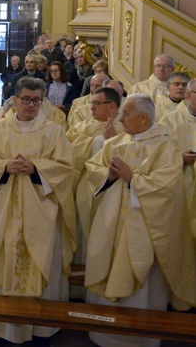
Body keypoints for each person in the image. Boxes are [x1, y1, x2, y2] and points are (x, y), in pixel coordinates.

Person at [0, 76, 76, 344]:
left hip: (41, 215)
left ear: (43, 101)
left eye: (37, 100)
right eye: (26, 99)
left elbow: (66, 169)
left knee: (41, 264)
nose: (31, 104)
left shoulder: (54, 132)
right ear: (14, 99)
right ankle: (3, 329)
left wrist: (36, 169)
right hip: (3, 213)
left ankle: (40, 330)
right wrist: (3, 167)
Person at [85, 94, 196, 346]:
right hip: (111, 226)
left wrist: (132, 178)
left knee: (142, 285)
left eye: (126, 114)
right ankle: (103, 334)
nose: (120, 119)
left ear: (144, 117)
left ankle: (136, 339)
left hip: (144, 230)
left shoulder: (165, 147)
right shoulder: (116, 143)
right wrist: (110, 176)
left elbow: (167, 187)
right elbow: (94, 167)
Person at [66, 87, 123, 265]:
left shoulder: (126, 126)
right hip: (86, 185)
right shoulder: (81, 127)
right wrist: (99, 141)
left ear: (112, 107)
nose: (91, 108)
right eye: (92, 103)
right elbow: (69, 152)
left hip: (115, 189)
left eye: (97, 103)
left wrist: (112, 141)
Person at [159, 78, 196, 239]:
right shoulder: (169, 120)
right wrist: (179, 157)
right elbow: (156, 151)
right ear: (188, 95)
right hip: (180, 182)